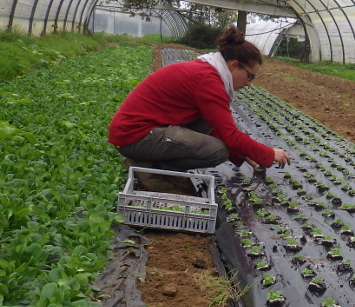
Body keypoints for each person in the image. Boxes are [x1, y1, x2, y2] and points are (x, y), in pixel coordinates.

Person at [108, 26, 290, 190]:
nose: (249, 83)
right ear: (234, 65)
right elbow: (230, 135)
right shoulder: (208, 81)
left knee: (207, 121)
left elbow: (216, 128)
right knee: (218, 151)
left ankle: (151, 163)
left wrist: (243, 152)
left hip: (141, 132)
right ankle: (152, 168)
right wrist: (268, 153)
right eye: (250, 76)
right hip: (133, 135)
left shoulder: (209, 71)